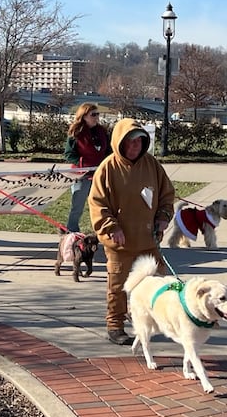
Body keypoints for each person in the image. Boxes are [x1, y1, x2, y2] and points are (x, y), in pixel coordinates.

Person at [88, 118, 175, 346]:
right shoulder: (107, 168)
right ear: (120, 142)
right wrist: (111, 228)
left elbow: (166, 196)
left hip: (148, 239)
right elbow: (98, 203)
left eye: (139, 141)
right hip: (120, 243)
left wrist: (163, 218)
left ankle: (151, 320)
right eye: (130, 142)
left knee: (158, 281)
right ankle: (115, 324)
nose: (135, 146)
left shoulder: (152, 165)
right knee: (118, 285)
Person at [63, 102, 111, 233]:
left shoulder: (102, 131)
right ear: (84, 116)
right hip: (81, 175)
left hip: (99, 175)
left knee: (100, 205)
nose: (96, 117)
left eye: (97, 114)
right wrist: (81, 164)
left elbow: (108, 151)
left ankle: (101, 230)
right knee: (77, 205)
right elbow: (68, 154)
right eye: (93, 114)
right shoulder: (76, 132)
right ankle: (71, 231)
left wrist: (107, 163)